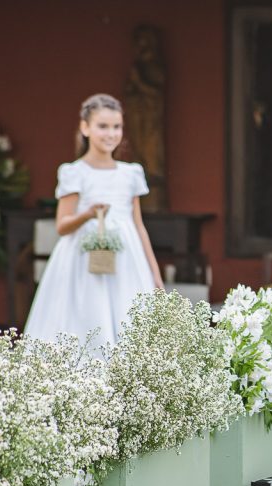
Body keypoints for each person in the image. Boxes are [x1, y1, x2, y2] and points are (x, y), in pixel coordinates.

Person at [24, 93, 163, 351]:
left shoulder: (130, 173)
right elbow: (62, 225)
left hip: (126, 259)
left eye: (116, 127)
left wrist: (154, 274)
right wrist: (87, 214)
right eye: (103, 126)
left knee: (127, 316)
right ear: (85, 127)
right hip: (82, 260)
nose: (110, 134)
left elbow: (138, 225)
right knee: (86, 317)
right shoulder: (74, 172)